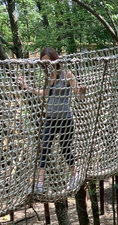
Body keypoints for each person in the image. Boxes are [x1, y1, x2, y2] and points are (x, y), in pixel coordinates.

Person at [18, 47, 86, 193]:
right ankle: (40, 185)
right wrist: (27, 87)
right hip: (50, 118)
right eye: (43, 63)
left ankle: (75, 176)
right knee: (44, 149)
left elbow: (78, 96)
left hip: (65, 120)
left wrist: (81, 92)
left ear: (55, 60)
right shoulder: (50, 77)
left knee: (65, 149)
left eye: (48, 62)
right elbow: (45, 93)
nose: (46, 66)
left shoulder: (67, 75)